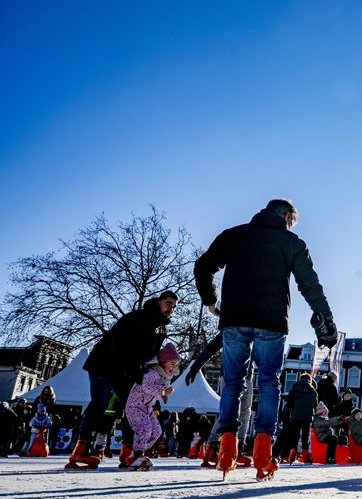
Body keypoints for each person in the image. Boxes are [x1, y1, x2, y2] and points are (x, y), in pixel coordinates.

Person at [194, 198, 337, 480]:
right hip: (272, 321)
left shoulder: (233, 236)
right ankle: (262, 452)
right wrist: (326, 319)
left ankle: (226, 449)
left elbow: (203, 266)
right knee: (269, 381)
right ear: (286, 216)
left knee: (233, 381)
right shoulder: (292, 242)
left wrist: (210, 300)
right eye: (291, 221)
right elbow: (309, 284)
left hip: (234, 318)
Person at [66, 291, 178, 470]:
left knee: (133, 407)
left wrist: (157, 377)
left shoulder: (163, 328)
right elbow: (119, 347)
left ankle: (129, 452)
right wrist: (137, 375)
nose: (171, 308)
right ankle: (82, 448)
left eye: (174, 306)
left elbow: (151, 356)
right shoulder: (136, 318)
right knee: (99, 403)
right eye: (168, 303)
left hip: (126, 371)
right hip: (105, 364)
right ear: (159, 302)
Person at [124, 343, 180, 470]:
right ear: (163, 362)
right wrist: (163, 392)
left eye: (176, 365)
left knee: (157, 431)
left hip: (147, 408)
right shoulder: (152, 372)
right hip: (135, 406)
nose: (174, 367)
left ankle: (139, 452)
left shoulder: (162, 376)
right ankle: (138, 455)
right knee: (145, 429)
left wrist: (163, 395)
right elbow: (147, 387)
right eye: (172, 364)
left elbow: (157, 389)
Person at [280, 373, 318, 464]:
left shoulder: (295, 388)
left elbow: (289, 403)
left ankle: (292, 453)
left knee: (295, 435)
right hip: (307, 416)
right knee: (305, 435)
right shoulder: (313, 390)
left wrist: (287, 415)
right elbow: (315, 405)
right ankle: (305, 455)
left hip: (296, 416)